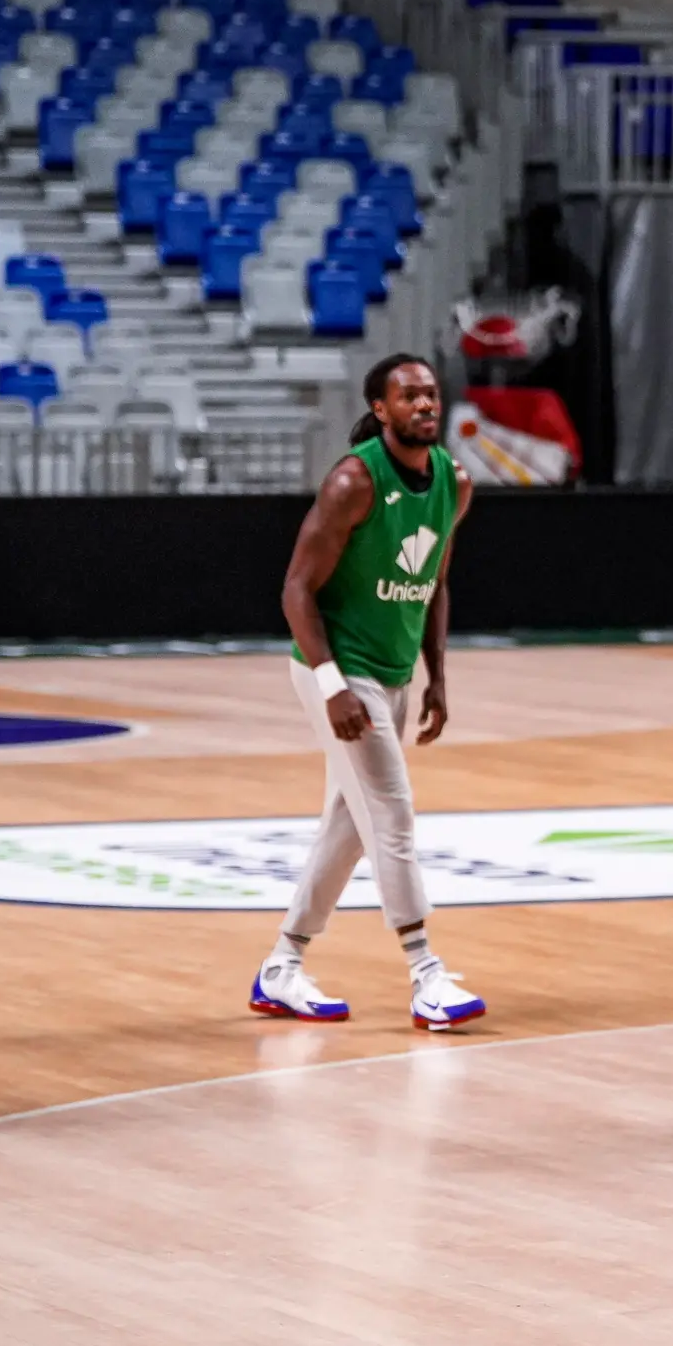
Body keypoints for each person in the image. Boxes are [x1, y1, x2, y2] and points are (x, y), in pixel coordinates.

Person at [256, 353, 482, 1032]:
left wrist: (436, 674)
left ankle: (282, 966)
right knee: (392, 812)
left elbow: (435, 584)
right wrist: (331, 686)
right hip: (335, 668)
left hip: (391, 672)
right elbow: (296, 589)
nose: (424, 405)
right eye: (408, 395)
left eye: (431, 395)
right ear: (379, 409)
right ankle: (426, 974)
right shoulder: (354, 481)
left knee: (350, 827)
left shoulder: (455, 481)